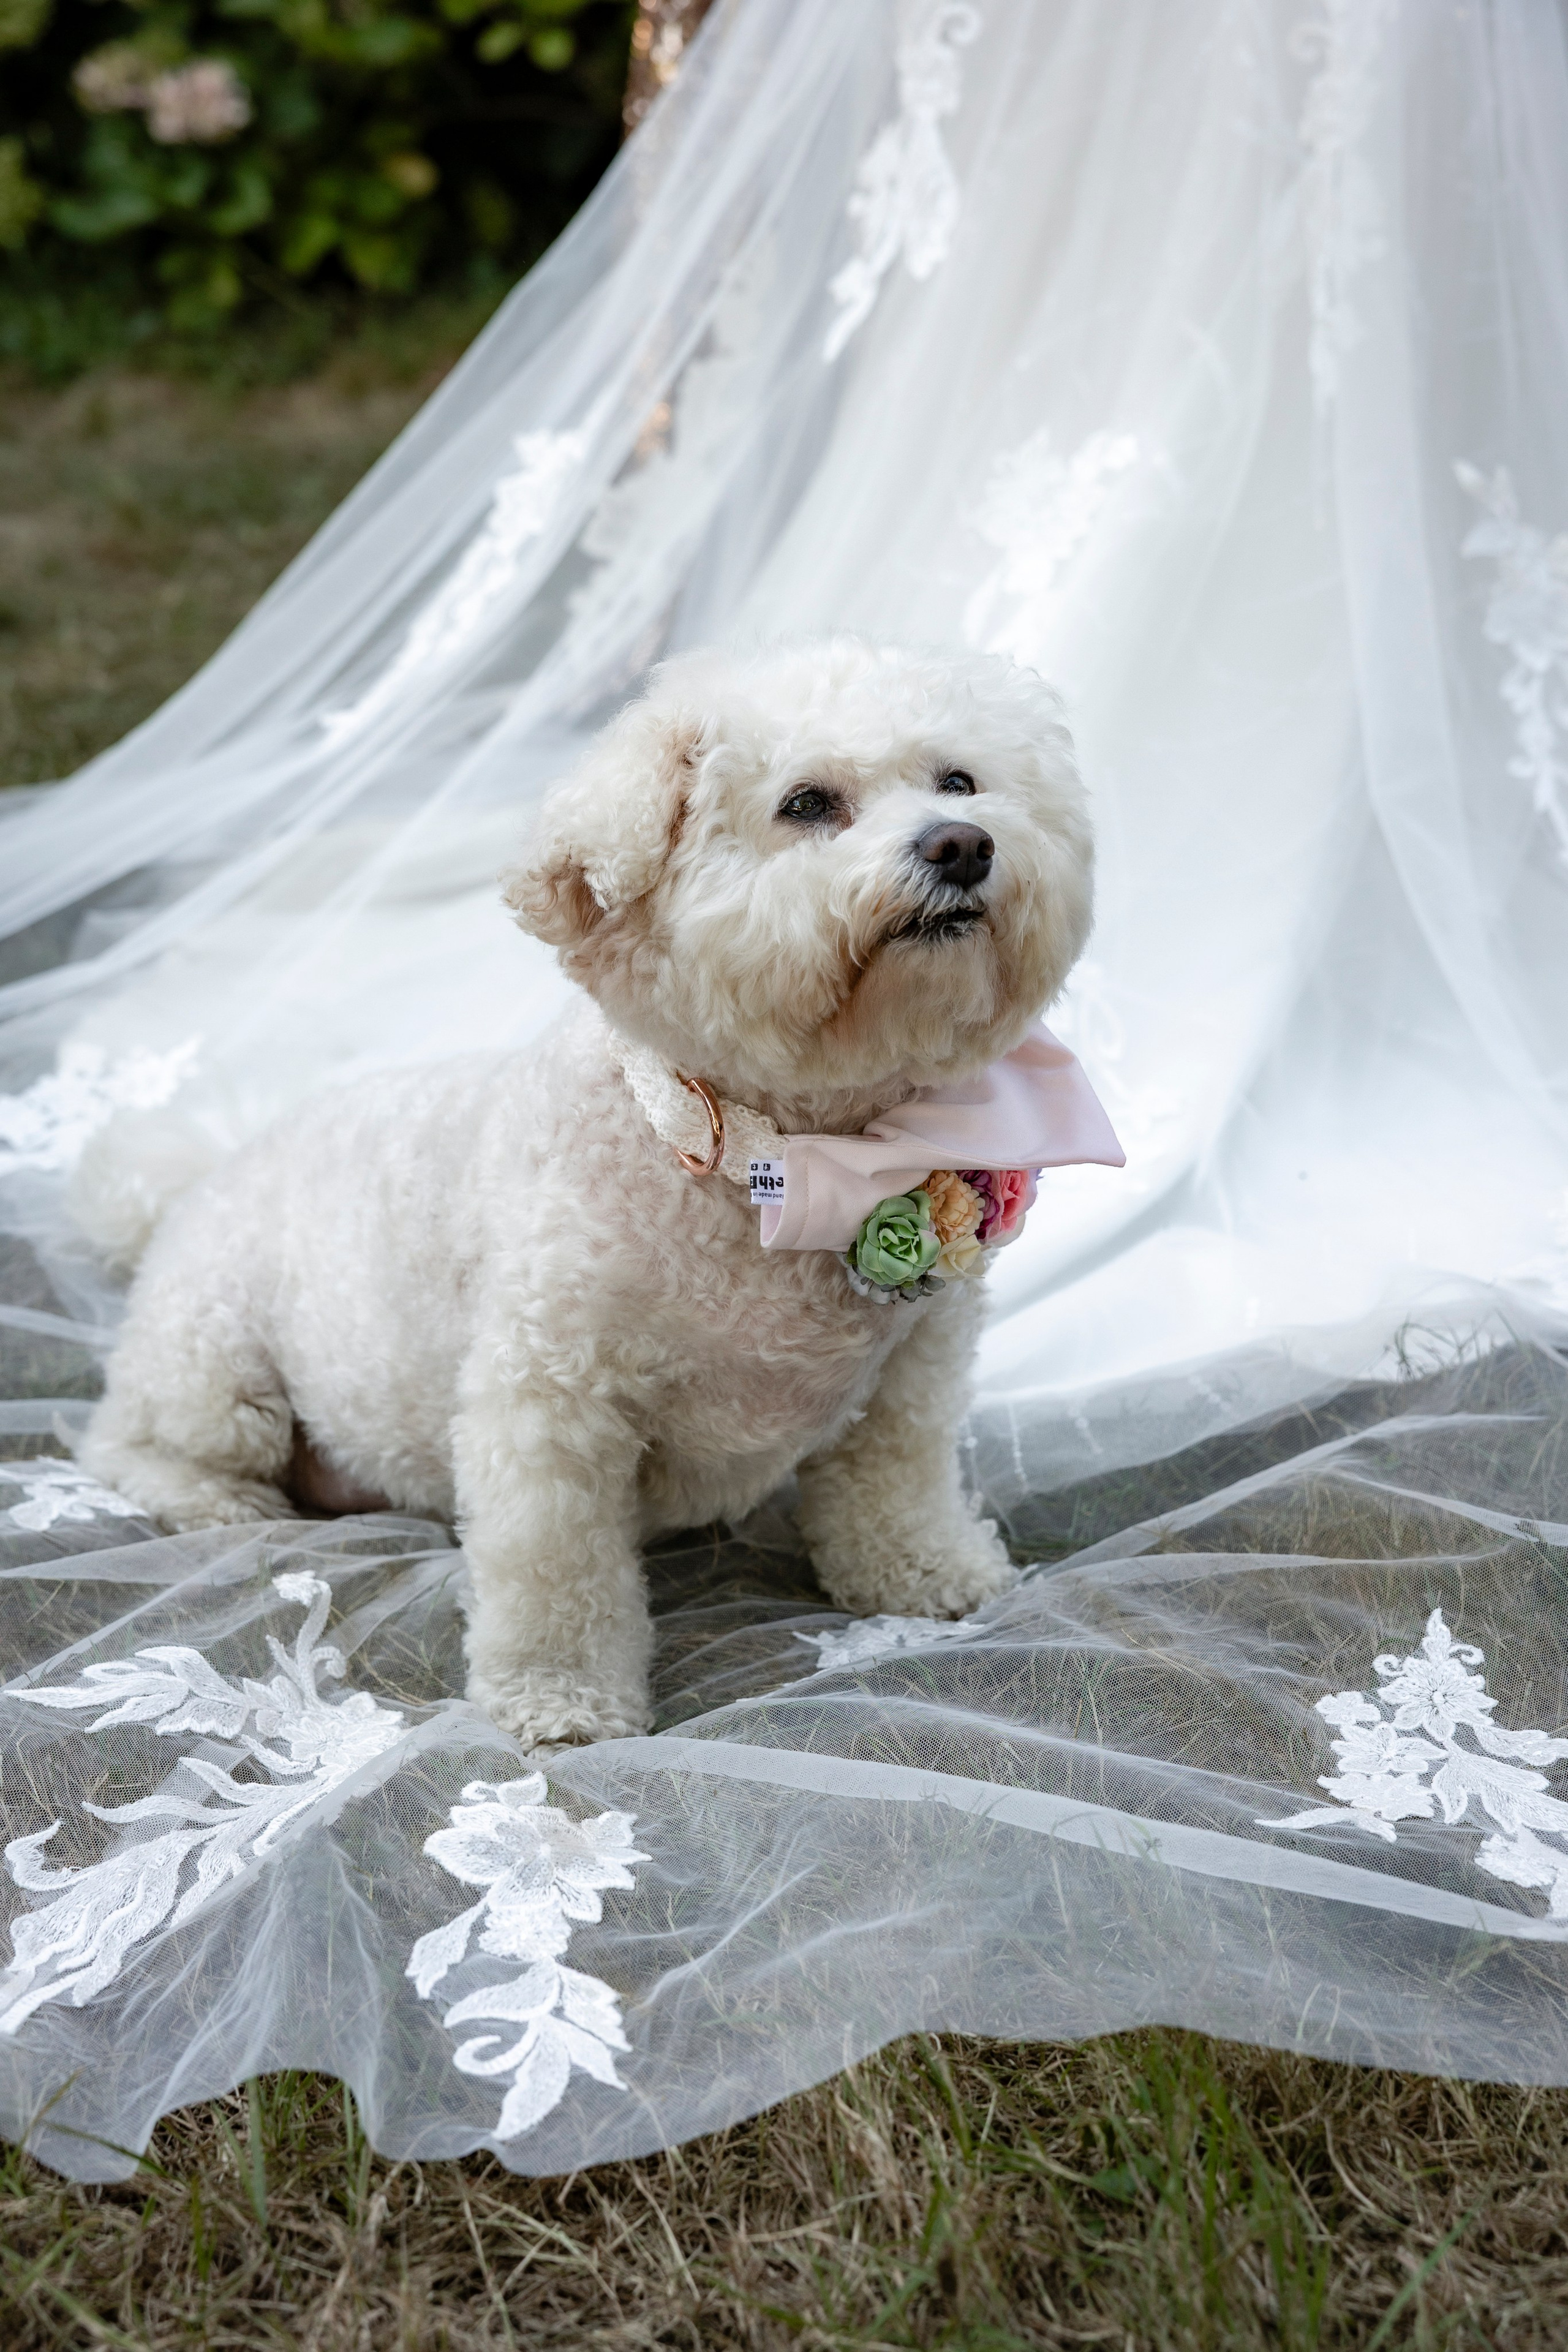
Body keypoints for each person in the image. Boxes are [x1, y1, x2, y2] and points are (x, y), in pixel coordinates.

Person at [2, 0, 1567, 2184]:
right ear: (628, 911)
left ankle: (877, 1541)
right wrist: (541, 1653)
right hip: (346, 1368)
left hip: (805, 1344)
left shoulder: (948, 1140)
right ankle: (256, 1468)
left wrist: (893, 1497)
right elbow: (535, 1417)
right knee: (359, 1379)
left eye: (955, 794)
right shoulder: (578, 1144)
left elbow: (919, 1319)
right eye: (819, 806)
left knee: (913, 1324)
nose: (931, 839)